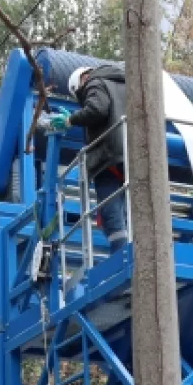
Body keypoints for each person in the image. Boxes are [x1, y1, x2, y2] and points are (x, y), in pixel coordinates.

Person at [44, 64, 129, 251]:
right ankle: (130, 250)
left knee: (111, 211)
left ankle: (120, 254)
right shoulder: (127, 84)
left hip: (109, 157)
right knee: (128, 211)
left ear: (81, 81)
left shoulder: (94, 82)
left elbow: (97, 109)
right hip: (132, 154)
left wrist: (70, 120)